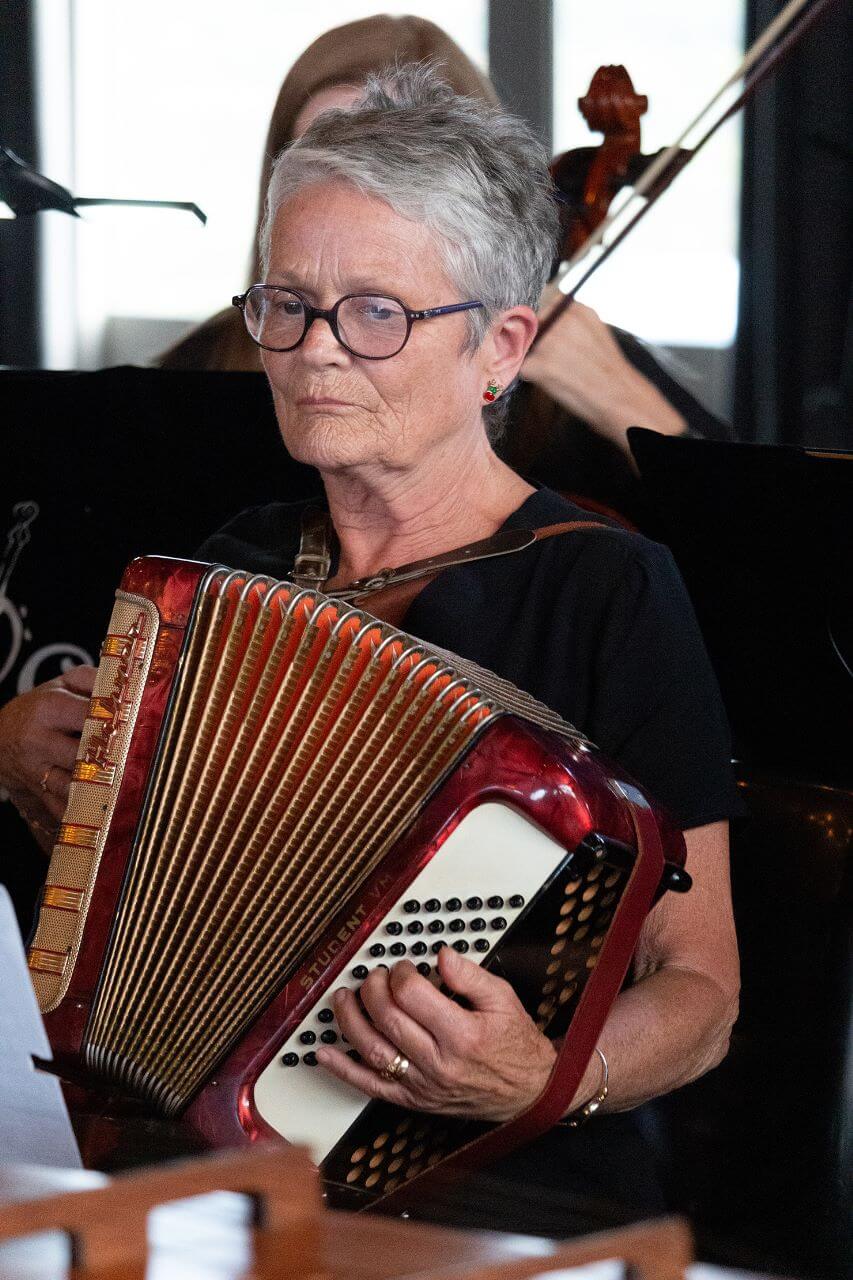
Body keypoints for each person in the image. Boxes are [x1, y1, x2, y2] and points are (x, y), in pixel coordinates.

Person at [1, 61, 740, 1236]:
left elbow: (701, 989)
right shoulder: (229, 567)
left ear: (500, 346)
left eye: (377, 312)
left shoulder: (607, 586)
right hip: (209, 1165)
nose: (315, 350)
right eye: (286, 303)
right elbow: (147, 908)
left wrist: (547, 1072)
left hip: (503, 1185)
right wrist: (65, 794)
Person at [157, 14, 732, 526]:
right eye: (325, 152)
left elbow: (746, 554)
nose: (355, 185)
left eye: (404, 161)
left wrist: (624, 400)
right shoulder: (199, 366)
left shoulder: (568, 356)